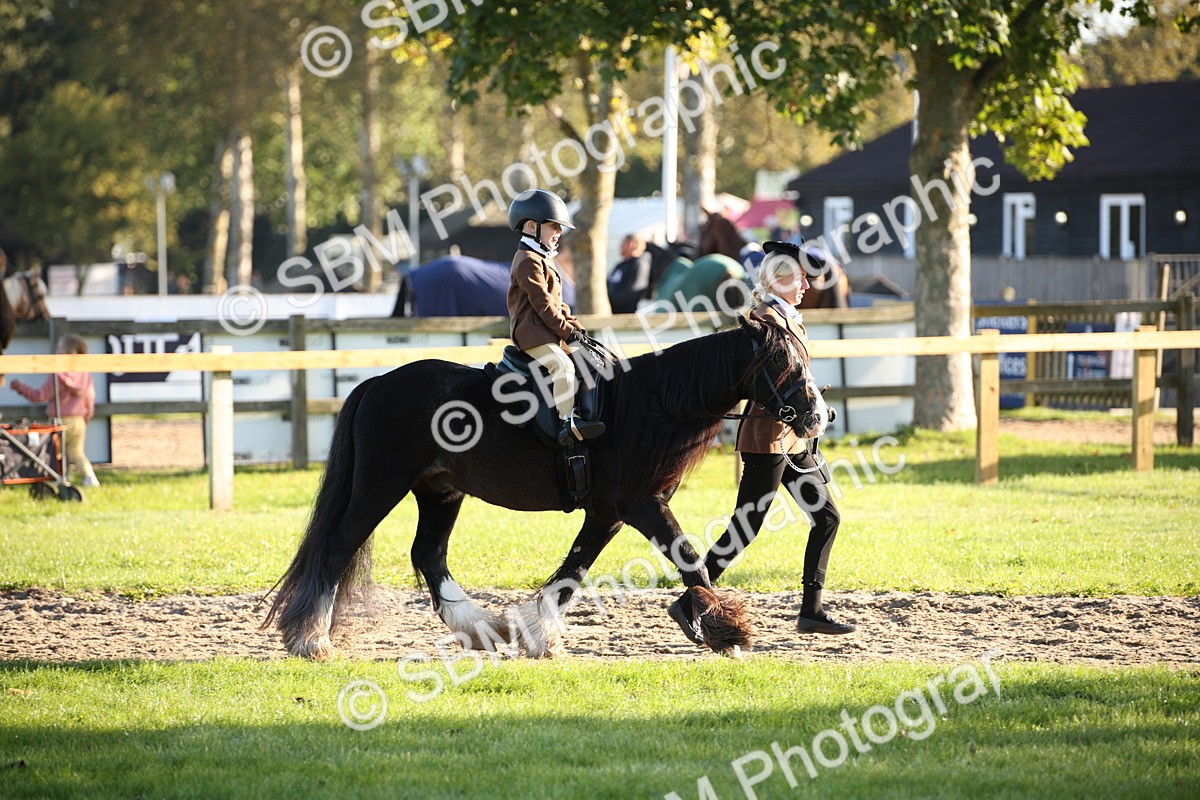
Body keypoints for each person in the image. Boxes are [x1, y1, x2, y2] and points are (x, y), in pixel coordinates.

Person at [669, 240, 854, 642]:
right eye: (800, 277)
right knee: (745, 527)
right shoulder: (765, 321)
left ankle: (812, 611)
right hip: (768, 438)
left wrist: (816, 407)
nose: (806, 285)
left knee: (826, 517)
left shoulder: (788, 317)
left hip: (794, 439)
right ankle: (691, 601)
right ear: (779, 280)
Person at [506, 189, 605, 446]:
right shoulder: (527, 260)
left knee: (593, 359)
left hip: (548, 330)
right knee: (563, 366)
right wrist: (566, 332)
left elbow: (560, 305)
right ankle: (567, 422)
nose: (559, 232)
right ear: (532, 226)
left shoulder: (543, 258)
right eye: (554, 226)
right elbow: (544, 305)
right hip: (532, 334)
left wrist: (578, 330)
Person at [10, 334, 99, 487]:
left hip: (60, 420)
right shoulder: (85, 375)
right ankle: (89, 477)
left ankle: (59, 478)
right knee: (76, 452)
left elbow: (39, 396)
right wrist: (86, 417)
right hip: (79, 420)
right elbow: (90, 399)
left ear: (65, 353)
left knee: (56, 453)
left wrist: (20, 387)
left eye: (59, 349)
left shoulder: (57, 376)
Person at [607, 233, 653, 314]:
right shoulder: (621, 265)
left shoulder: (639, 264)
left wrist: (609, 300)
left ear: (632, 244)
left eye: (622, 243)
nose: (620, 247)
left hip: (624, 314)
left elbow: (633, 293)